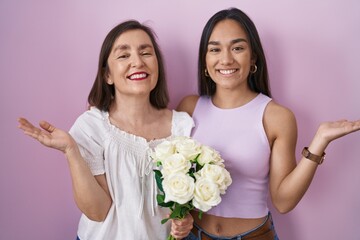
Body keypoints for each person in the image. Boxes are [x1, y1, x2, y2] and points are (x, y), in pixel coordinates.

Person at [177, 7, 360, 240]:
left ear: (253, 57)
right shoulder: (189, 108)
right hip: (193, 235)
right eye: (215, 49)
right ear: (204, 60)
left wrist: (320, 141)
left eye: (238, 48)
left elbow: (283, 202)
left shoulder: (276, 116)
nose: (226, 59)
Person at [18, 20, 194, 240]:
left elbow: (186, 204)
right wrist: (72, 151)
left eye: (146, 53)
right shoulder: (91, 127)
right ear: (107, 75)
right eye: (123, 55)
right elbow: (98, 211)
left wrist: (185, 220)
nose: (137, 62)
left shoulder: (183, 127)